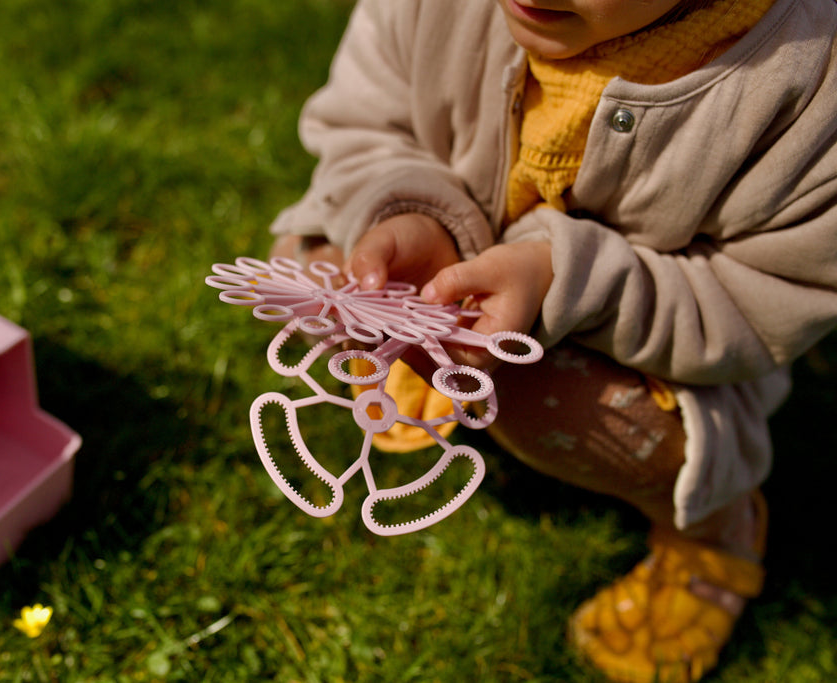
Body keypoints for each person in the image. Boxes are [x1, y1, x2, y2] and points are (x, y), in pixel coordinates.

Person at [268, 0, 837, 680]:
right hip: (459, 274)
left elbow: (756, 300)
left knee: (531, 391)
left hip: (664, 352)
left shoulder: (809, 83)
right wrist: (414, 214)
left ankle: (715, 527)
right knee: (310, 272)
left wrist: (562, 278)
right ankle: (420, 352)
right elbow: (364, 120)